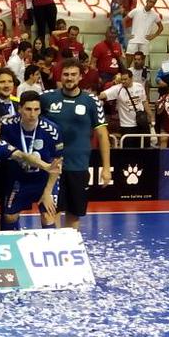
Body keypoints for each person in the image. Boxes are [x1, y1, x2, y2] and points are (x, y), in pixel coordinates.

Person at [41, 59, 112, 230]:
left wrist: (107, 167)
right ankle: (52, 248)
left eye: (73, 74)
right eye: (66, 74)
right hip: (51, 166)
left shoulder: (91, 101)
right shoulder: (47, 98)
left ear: (80, 77)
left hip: (78, 166)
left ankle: (68, 251)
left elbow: (102, 135)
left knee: (74, 213)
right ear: (60, 76)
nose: (69, 78)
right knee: (50, 211)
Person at [0, 93, 63, 229]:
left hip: (44, 179)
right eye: (28, 109)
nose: (32, 114)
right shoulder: (6, 125)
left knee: (48, 215)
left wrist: (47, 193)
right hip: (17, 179)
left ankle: (48, 248)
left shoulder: (52, 130)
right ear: (20, 109)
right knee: (10, 217)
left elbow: (57, 163)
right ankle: (13, 247)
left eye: (36, 110)